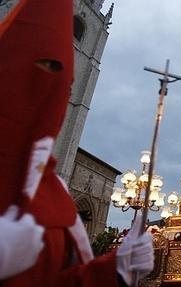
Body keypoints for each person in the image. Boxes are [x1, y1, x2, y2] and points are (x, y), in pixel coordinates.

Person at [0, 1, 154, 286]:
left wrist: (116, 269)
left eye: (66, 82)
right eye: (40, 65)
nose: (51, 86)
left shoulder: (55, 191)